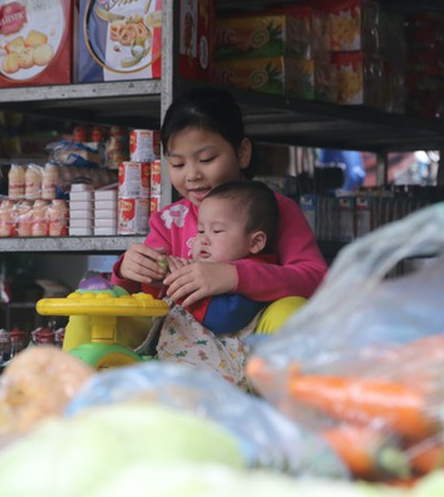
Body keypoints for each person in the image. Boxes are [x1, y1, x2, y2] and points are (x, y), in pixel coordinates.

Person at [109, 87, 327, 384]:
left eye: (207, 159)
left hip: (255, 355)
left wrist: (233, 277)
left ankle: (283, 418)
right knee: (96, 314)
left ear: (242, 152)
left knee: (291, 312)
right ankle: (85, 413)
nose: (192, 175)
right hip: (180, 352)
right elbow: (141, 296)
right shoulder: (169, 221)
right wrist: (127, 271)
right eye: (178, 164)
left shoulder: (277, 210)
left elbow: (315, 278)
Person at [167, 180, 279, 336]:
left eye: (217, 231)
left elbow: (225, 318)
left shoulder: (258, 273)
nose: (203, 239)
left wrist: (182, 291)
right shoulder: (201, 263)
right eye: (200, 230)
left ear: (255, 242)